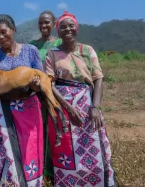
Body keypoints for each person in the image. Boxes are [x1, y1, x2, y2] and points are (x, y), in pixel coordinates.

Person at [45, 11, 118, 187]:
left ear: (76, 28)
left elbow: (98, 78)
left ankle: (99, 182)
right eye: (63, 27)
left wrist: (95, 107)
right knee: (65, 148)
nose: (68, 29)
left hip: (87, 105)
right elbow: (49, 83)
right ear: (58, 31)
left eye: (71, 26)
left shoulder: (87, 50)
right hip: (61, 106)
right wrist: (68, 109)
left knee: (93, 144)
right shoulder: (52, 54)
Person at [0, 14, 45, 186]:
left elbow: (41, 82)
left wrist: (36, 84)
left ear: (13, 29)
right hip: (1, 112)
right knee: (0, 151)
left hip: (29, 112)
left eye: (4, 32)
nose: (0, 38)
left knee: (28, 148)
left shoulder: (31, 51)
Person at [30, 10, 62, 182]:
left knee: (54, 131)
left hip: (56, 94)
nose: (43, 26)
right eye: (41, 23)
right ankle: (41, 172)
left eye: (47, 22)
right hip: (36, 96)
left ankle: (55, 172)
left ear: (54, 24)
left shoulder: (60, 43)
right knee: (40, 131)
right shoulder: (33, 45)